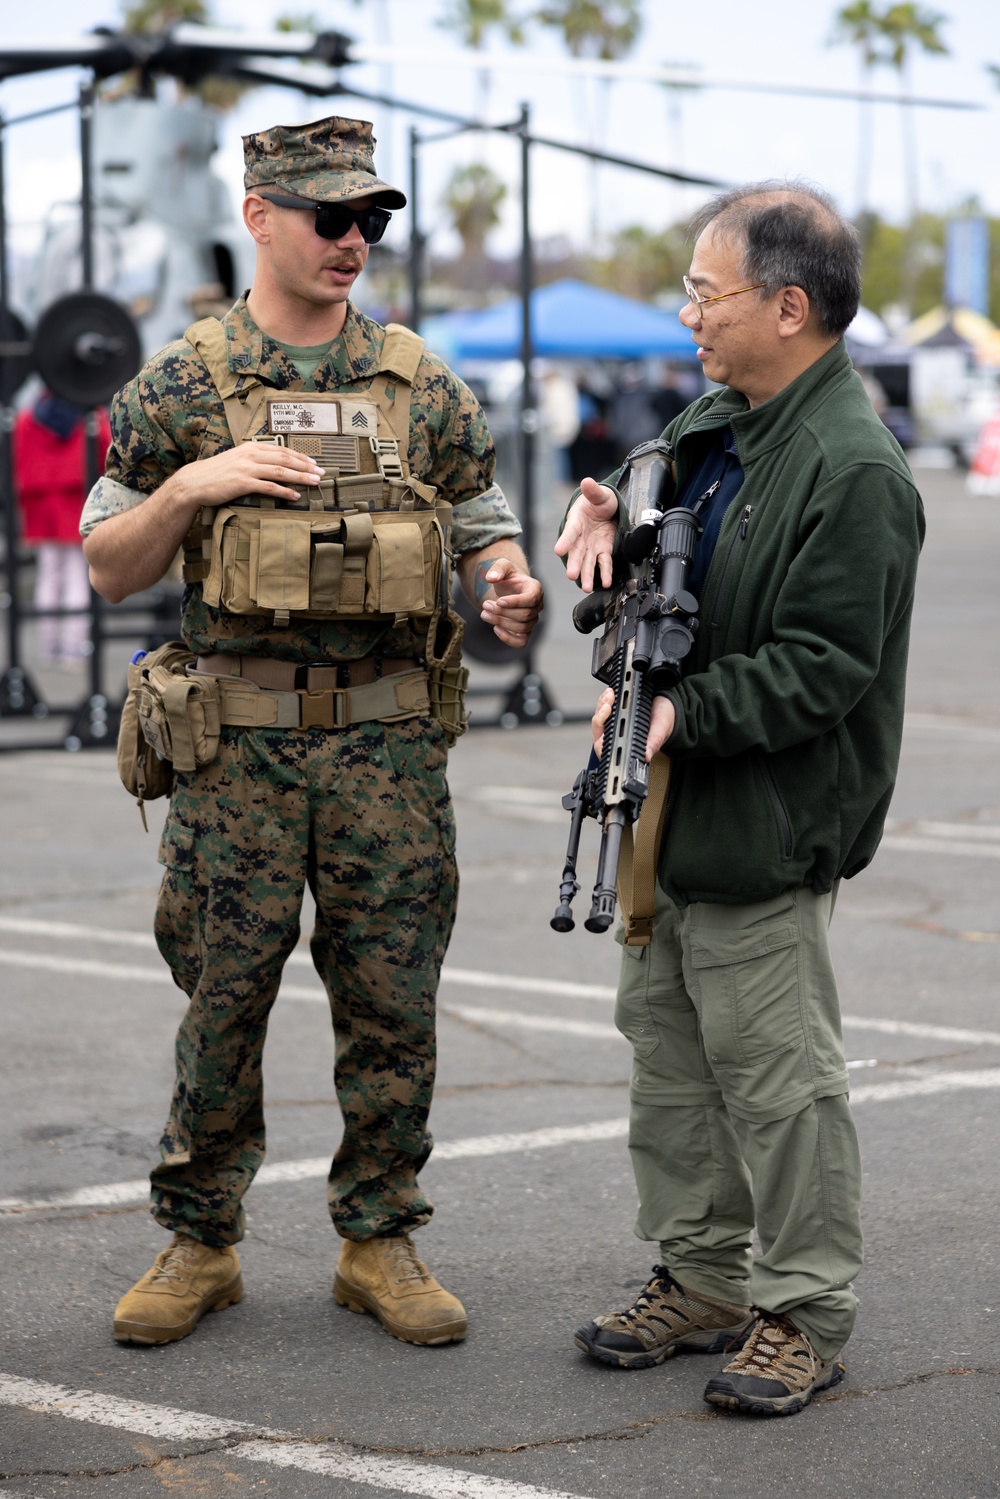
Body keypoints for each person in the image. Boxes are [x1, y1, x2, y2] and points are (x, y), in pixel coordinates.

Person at [81, 115, 542, 1350]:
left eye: (371, 220)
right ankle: (202, 1241)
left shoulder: (418, 380)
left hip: (389, 749)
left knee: (393, 996)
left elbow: (478, 505)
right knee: (222, 996)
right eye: (330, 217)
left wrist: (505, 575)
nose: (354, 241)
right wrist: (189, 486)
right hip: (236, 749)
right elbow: (108, 564)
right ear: (261, 217)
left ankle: (378, 1237)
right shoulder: (182, 383)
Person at [555, 182, 923, 1417]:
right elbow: (648, 475)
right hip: (666, 810)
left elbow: (827, 664)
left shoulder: (851, 465)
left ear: (788, 304)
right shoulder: (727, 422)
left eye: (704, 294)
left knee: (779, 1080)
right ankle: (703, 1274)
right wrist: (599, 498)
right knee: (668, 1059)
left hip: (765, 817)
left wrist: (680, 711)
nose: (686, 315)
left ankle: (803, 1308)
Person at [14, 392, 110, 664]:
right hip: (75, 501)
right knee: (77, 574)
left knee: (48, 573)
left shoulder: (27, 418)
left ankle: (50, 645)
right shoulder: (89, 416)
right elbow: (106, 453)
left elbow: (17, 462)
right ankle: (73, 646)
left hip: (40, 505)